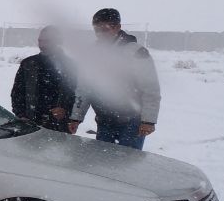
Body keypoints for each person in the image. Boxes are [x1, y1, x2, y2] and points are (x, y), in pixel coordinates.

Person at [68, 8, 161, 150]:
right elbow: (84, 88)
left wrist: (148, 121)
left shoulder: (136, 52)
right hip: (104, 120)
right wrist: (76, 117)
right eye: (97, 30)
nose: (100, 34)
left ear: (117, 27)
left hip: (132, 121)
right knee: (102, 162)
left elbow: (150, 88)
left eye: (105, 29)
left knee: (127, 163)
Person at [10, 26, 77, 132]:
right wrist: (21, 115)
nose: (42, 45)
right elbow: (17, 93)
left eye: (47, 41)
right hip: (30, 123)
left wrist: (66, 110)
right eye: (40, 41)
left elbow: (79, 94)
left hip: (59, 126)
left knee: (58, 149)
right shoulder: (29, 64)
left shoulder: (70, 65)